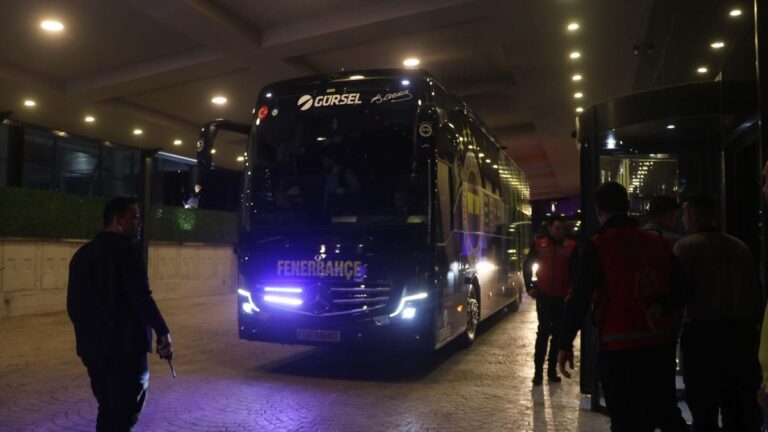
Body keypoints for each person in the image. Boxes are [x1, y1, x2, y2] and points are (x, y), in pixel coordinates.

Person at [557, 182, 687, 432]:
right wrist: (663, 306)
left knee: (626, 421)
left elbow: (580, 298)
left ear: (598, 210)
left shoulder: (598, 246)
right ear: (628, 206)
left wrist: (565, 343)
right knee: (666, 412)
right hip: (659, 345)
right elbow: (682, 289)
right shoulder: (657, 243)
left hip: (617, 347)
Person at [67, 197, 173, 431]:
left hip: (93, 351)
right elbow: (141, 297)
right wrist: (162, 331)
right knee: (124, 413)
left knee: (107, 407)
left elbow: (73, 306)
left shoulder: (82, 255)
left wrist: (89, 337)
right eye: (135, 217)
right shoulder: (127, 252)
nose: (140, 223)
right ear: (118, 221)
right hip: (126, 350)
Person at [674, 192, 762, 432]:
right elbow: (753, 294)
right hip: (741, 336)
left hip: (702, 336)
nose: (682, 219)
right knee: (738, 408)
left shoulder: (686, 248)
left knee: (703, 409)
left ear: (693, 214)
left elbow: (678, 295)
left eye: (684, 214)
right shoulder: (739, 248)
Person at [523, 214, 579, 385]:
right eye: (557, 228)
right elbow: (527, 265)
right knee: (543, 332)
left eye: (563, 229)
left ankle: (551, 371)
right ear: (550, 228)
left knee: (557, 334)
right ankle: (538, 373)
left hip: (562, 297)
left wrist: (572, 292)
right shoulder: (539, 244)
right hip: (544, 295)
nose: (560, 231)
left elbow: (576, 272)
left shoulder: (571, 246)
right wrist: (529, 287)